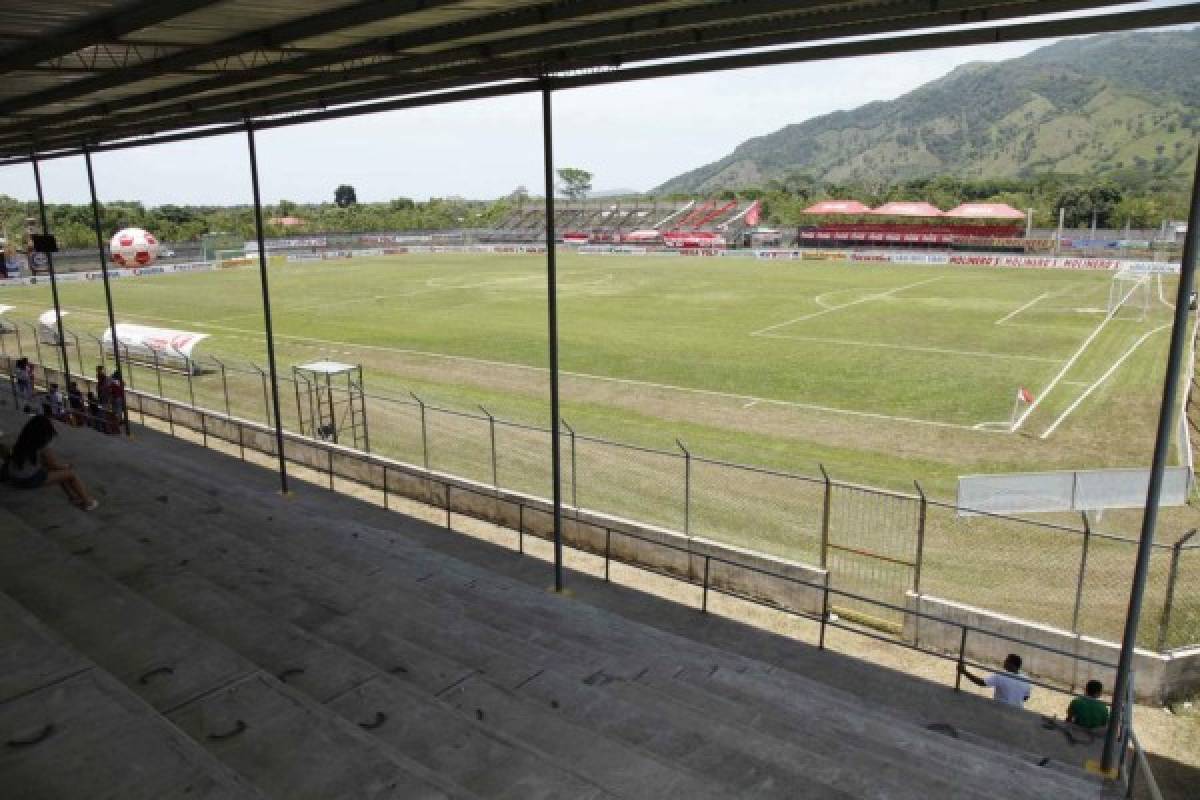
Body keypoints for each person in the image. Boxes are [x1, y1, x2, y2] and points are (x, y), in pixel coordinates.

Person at [1, 414, 98, 511]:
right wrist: (66, 466)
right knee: (71, 474)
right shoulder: (43, 447)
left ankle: (74, 497)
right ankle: (87, 502)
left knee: (59, 472)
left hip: (14, 476)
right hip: (27, 480)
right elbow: (54, 465)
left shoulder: (23, 440)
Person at [959, 653, 1031, 708]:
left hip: (1000, 709)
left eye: (1006, 660)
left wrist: (964, 672)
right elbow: (1025, 697)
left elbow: (981, 683)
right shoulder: (1026, 679)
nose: (1004, 662)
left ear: (1011, 664)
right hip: (1018, 712)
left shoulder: (1001, 675)